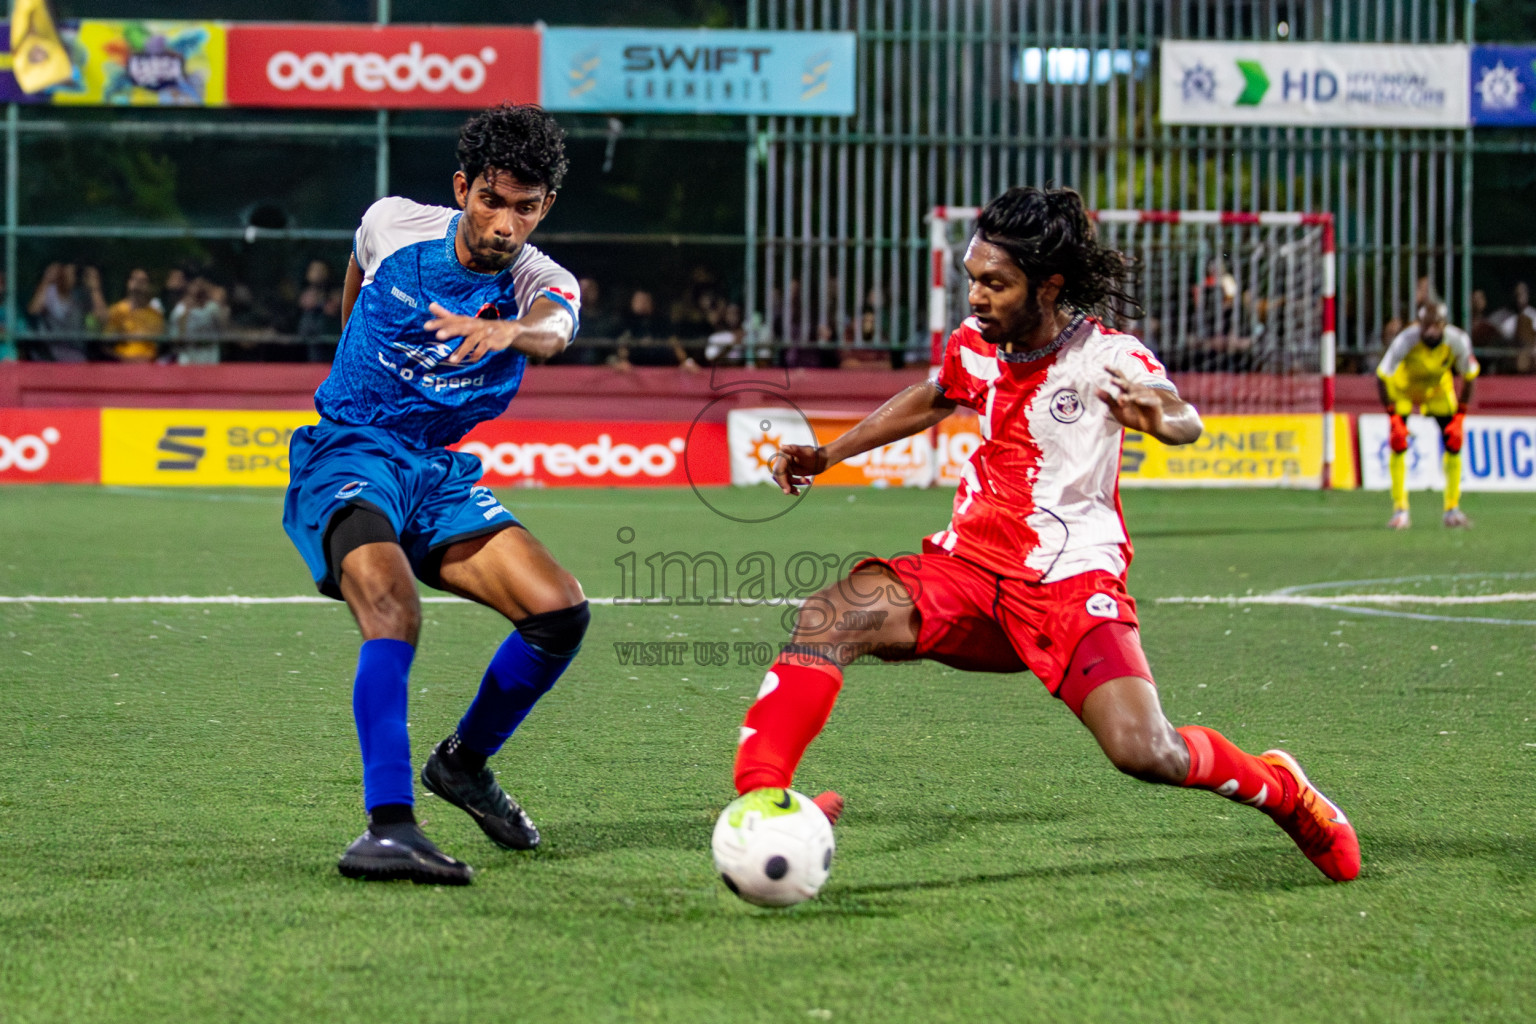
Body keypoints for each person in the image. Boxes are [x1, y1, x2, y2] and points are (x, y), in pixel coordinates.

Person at [725, 186, 1361, 885]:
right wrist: (828, 453)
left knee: (1146, 751)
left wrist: (1160, 416)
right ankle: (763, 798)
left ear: (1048, 286)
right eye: (972, 278)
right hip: (966, 570)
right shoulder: (975, 346)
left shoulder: (1106, 357)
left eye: (995, 283)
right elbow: (935, 395)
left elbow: (1184, 418)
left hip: (1068, 583)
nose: (976, 296)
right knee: (830, 614)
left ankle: (1284, 792)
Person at [282, 103, 588, 885]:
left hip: (434, 469)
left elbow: (555, 327)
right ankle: (388, 827)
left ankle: (463, 765)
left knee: (558, 611)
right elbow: (360, 260)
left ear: (544, 206)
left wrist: (511, 332)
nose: (504, 224)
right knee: (393, 608)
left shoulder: (539, 282)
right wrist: (350, 341)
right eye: (492, 200)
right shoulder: (395, 224)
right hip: (349, 449)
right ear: (463, 188)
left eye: (525, 207)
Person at [1376, 300, 1479, 529]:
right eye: (1425, 326)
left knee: (1454, 442)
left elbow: (1470, 376)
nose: (1429, 331)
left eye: (1434, 326)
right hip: (1404, 388)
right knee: (1398, 442)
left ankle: (1452, 509)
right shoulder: (1406, 340)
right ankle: (1400, 510)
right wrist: (1393, 418)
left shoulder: (1457, 341)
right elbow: (1382, 376)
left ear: (1444, 325)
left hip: (1438, 390)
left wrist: (1460, 417)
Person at [103, 268, 165, 363]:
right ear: (128, 282)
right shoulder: (116, 311)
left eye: (143, 280)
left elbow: (160, 346)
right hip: (121, 364)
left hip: (149, 365)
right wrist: (123, 360)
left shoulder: (155, 315)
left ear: (148, 285)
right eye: (135, 279)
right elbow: (105, 344)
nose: (138, 283)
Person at [168, 274, 227, 364]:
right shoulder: (180, 309)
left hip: (209, 358)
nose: (199, 289)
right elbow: (175, 339)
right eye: (195, 285)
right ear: (188, 286)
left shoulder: (212, 308)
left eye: (202, 285)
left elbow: (224, 331)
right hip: (187, 359)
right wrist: (185, 315)